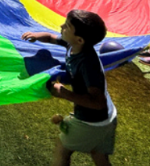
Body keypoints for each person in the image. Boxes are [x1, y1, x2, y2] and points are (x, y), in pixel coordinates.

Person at [22, 10, 117, 166]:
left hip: (91, 122)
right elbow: (51, 37)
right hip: (108, 117)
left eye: (67, 26)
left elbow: (98, 102)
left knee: (62, 148)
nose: (61, 26)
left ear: (79, 39)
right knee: (99, 155)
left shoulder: (87, 64)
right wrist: (37, 36)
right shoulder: (73, 45)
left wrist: (63, 92)